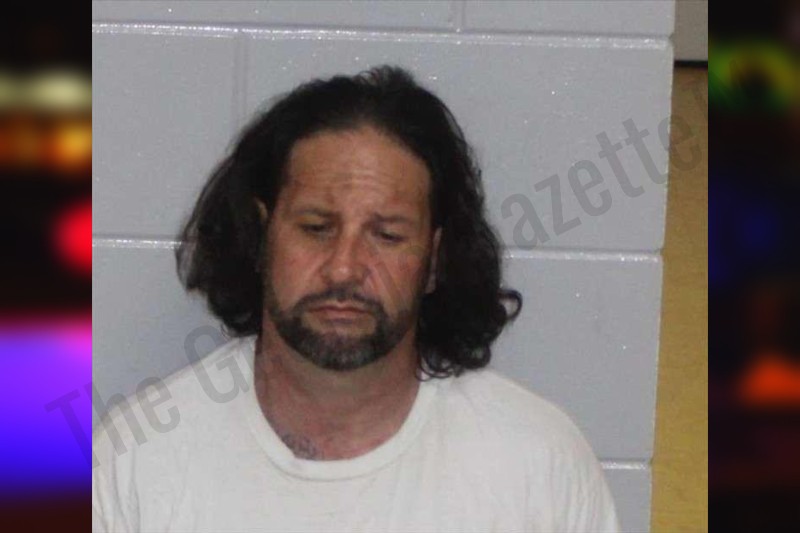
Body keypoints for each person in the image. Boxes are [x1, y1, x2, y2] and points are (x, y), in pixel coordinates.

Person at [92, 65, 620, 532]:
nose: (344, 268)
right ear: (260, 238)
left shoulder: (537, 463)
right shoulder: (137, 459)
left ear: (435, 259)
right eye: (316, 228)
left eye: (387, 235)